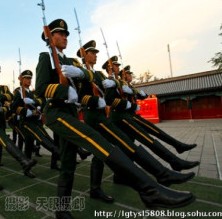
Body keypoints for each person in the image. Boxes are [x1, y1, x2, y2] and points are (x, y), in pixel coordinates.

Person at [35, 19, 195, 219]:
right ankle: (149, 190)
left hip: (71, 113)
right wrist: (64, 90)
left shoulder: (70, 62)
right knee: (96, 140)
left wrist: (80, 73)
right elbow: (40, 90)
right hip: (56, 114)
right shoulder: (46, 58)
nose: (65, 37)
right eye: (60, 34)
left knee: (68, 163)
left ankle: (61, 209)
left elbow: (89, 77)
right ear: (50, 37)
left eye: (67, 34)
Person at [77, 40, 195, 200]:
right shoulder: (80, 73)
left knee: (101, 153)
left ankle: (97, 188)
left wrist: (118, 85)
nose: (96, 55)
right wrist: (114, 98)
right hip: (97, 117)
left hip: (105, 117)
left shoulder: (98, 75)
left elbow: (107, 93)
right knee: (128, 144)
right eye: (92, 53)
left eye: (96, 53)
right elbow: (82, 97)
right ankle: (163, 173)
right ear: (85, 56)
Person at [102, 56, 200, 172]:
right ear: (110, 68)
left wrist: (133, 93)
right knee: (147, 139)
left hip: (128, 116)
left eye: (118, 65)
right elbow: (108, 99)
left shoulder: (120, 82)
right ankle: (174, 160)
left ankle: (121, 175)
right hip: (121, 116)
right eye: (116, 66)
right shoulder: (111, 82)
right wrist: (129, 105)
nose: (118, 67)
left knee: (135, 144)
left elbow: (137, 95)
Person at [0, 62, 37, 191]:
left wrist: (0, 104)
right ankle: (23, 160)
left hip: (0, 122)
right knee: (5, 140)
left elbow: (11, 96)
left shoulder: (2, 88)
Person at [120, 65, 197, 154]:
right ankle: (178, 146)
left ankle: (178, 145)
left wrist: (142, 94)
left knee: (133, 141)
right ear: (124, 76)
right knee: (153, 133)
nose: (131, 76)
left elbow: (141, 96)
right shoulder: (122, 85)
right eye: (129, 75)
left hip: (133, 115)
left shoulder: (130, 86)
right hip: (129, 117)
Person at [10, 69, 60, 177]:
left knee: (29, 145)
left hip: (35, 120)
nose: (28, 80)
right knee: (41, 138)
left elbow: (41, 102)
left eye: (29, 78)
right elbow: (13, 108)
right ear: (22, 79)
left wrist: (37, 107)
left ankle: (26, 167)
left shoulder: (32, 93)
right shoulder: (19, 93)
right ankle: (58, 154)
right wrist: (24, 111)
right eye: (26, 78)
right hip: (26, 122)